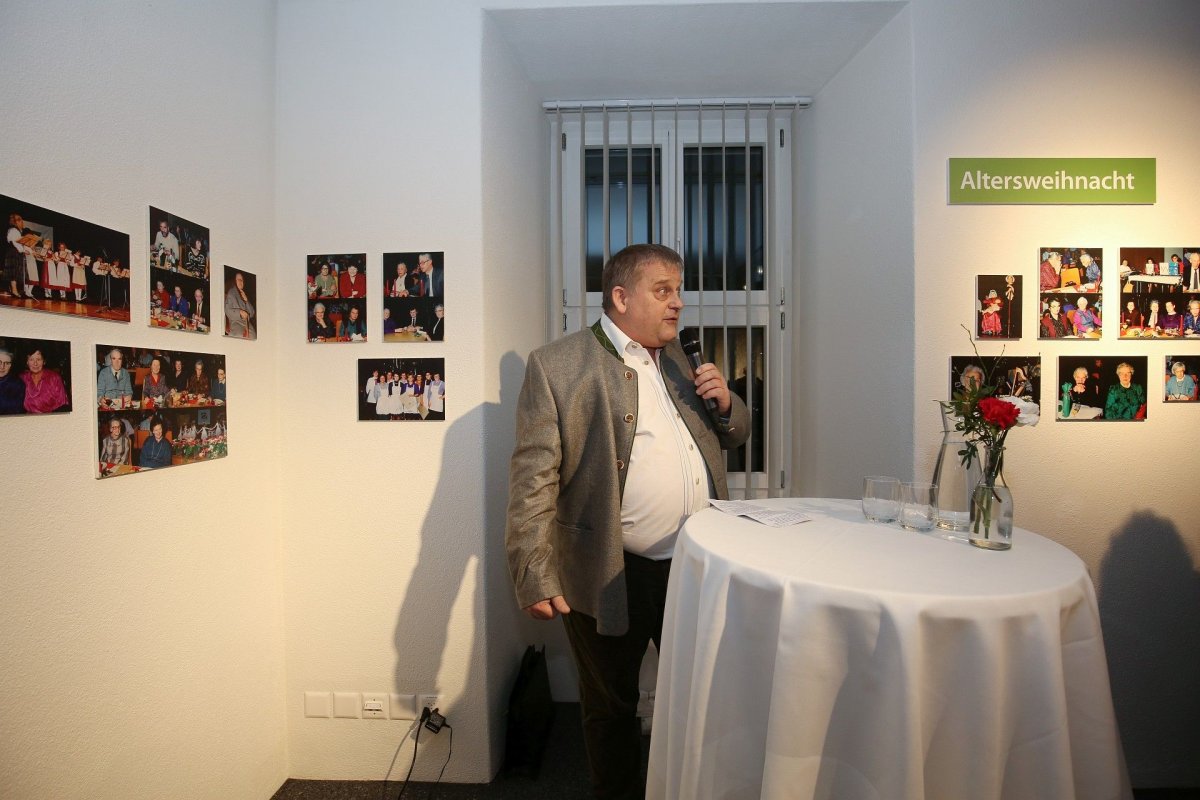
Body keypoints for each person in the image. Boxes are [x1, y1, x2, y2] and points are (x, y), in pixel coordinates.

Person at [505, 243, 749, 799]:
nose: (678, 303)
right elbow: (532, 480)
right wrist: (533, 572)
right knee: (611, 705)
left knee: (703, 696)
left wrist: (728, 406)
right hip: (608, 571)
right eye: (663, 291)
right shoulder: (558, 365)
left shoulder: (683, 357)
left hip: (696, 565)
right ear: (620, 297)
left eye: (678, 291)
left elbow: (733, 435)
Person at [225, 271, 256, 338]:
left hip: (247, 324)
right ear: (234, 281)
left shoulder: (244, 294)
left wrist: (246, 301)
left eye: (241, 280)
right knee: (240, 336)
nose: (240, 281)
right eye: (238, 279)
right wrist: (240, 312)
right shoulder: (231, 292)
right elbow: (227, 310)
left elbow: (252, 313)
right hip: (236, 322)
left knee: (254, 337)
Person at [5, 212, 28, 299]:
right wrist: (23, 250)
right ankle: (14, 291)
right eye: (21, 221)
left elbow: (18, 243)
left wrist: (24, 249)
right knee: (14, 271)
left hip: (16, 252)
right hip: (14, 252)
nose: (22, 223)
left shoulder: (16, 231)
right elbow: (15, 242)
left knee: (16, 272)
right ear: (16, 222)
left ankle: (15, 290)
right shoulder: (13, 230)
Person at [0, 346, 27, 414]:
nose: (2, 367)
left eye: (7, 363)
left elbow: (16, 410)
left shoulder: (18, 384)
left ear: (11, 365)